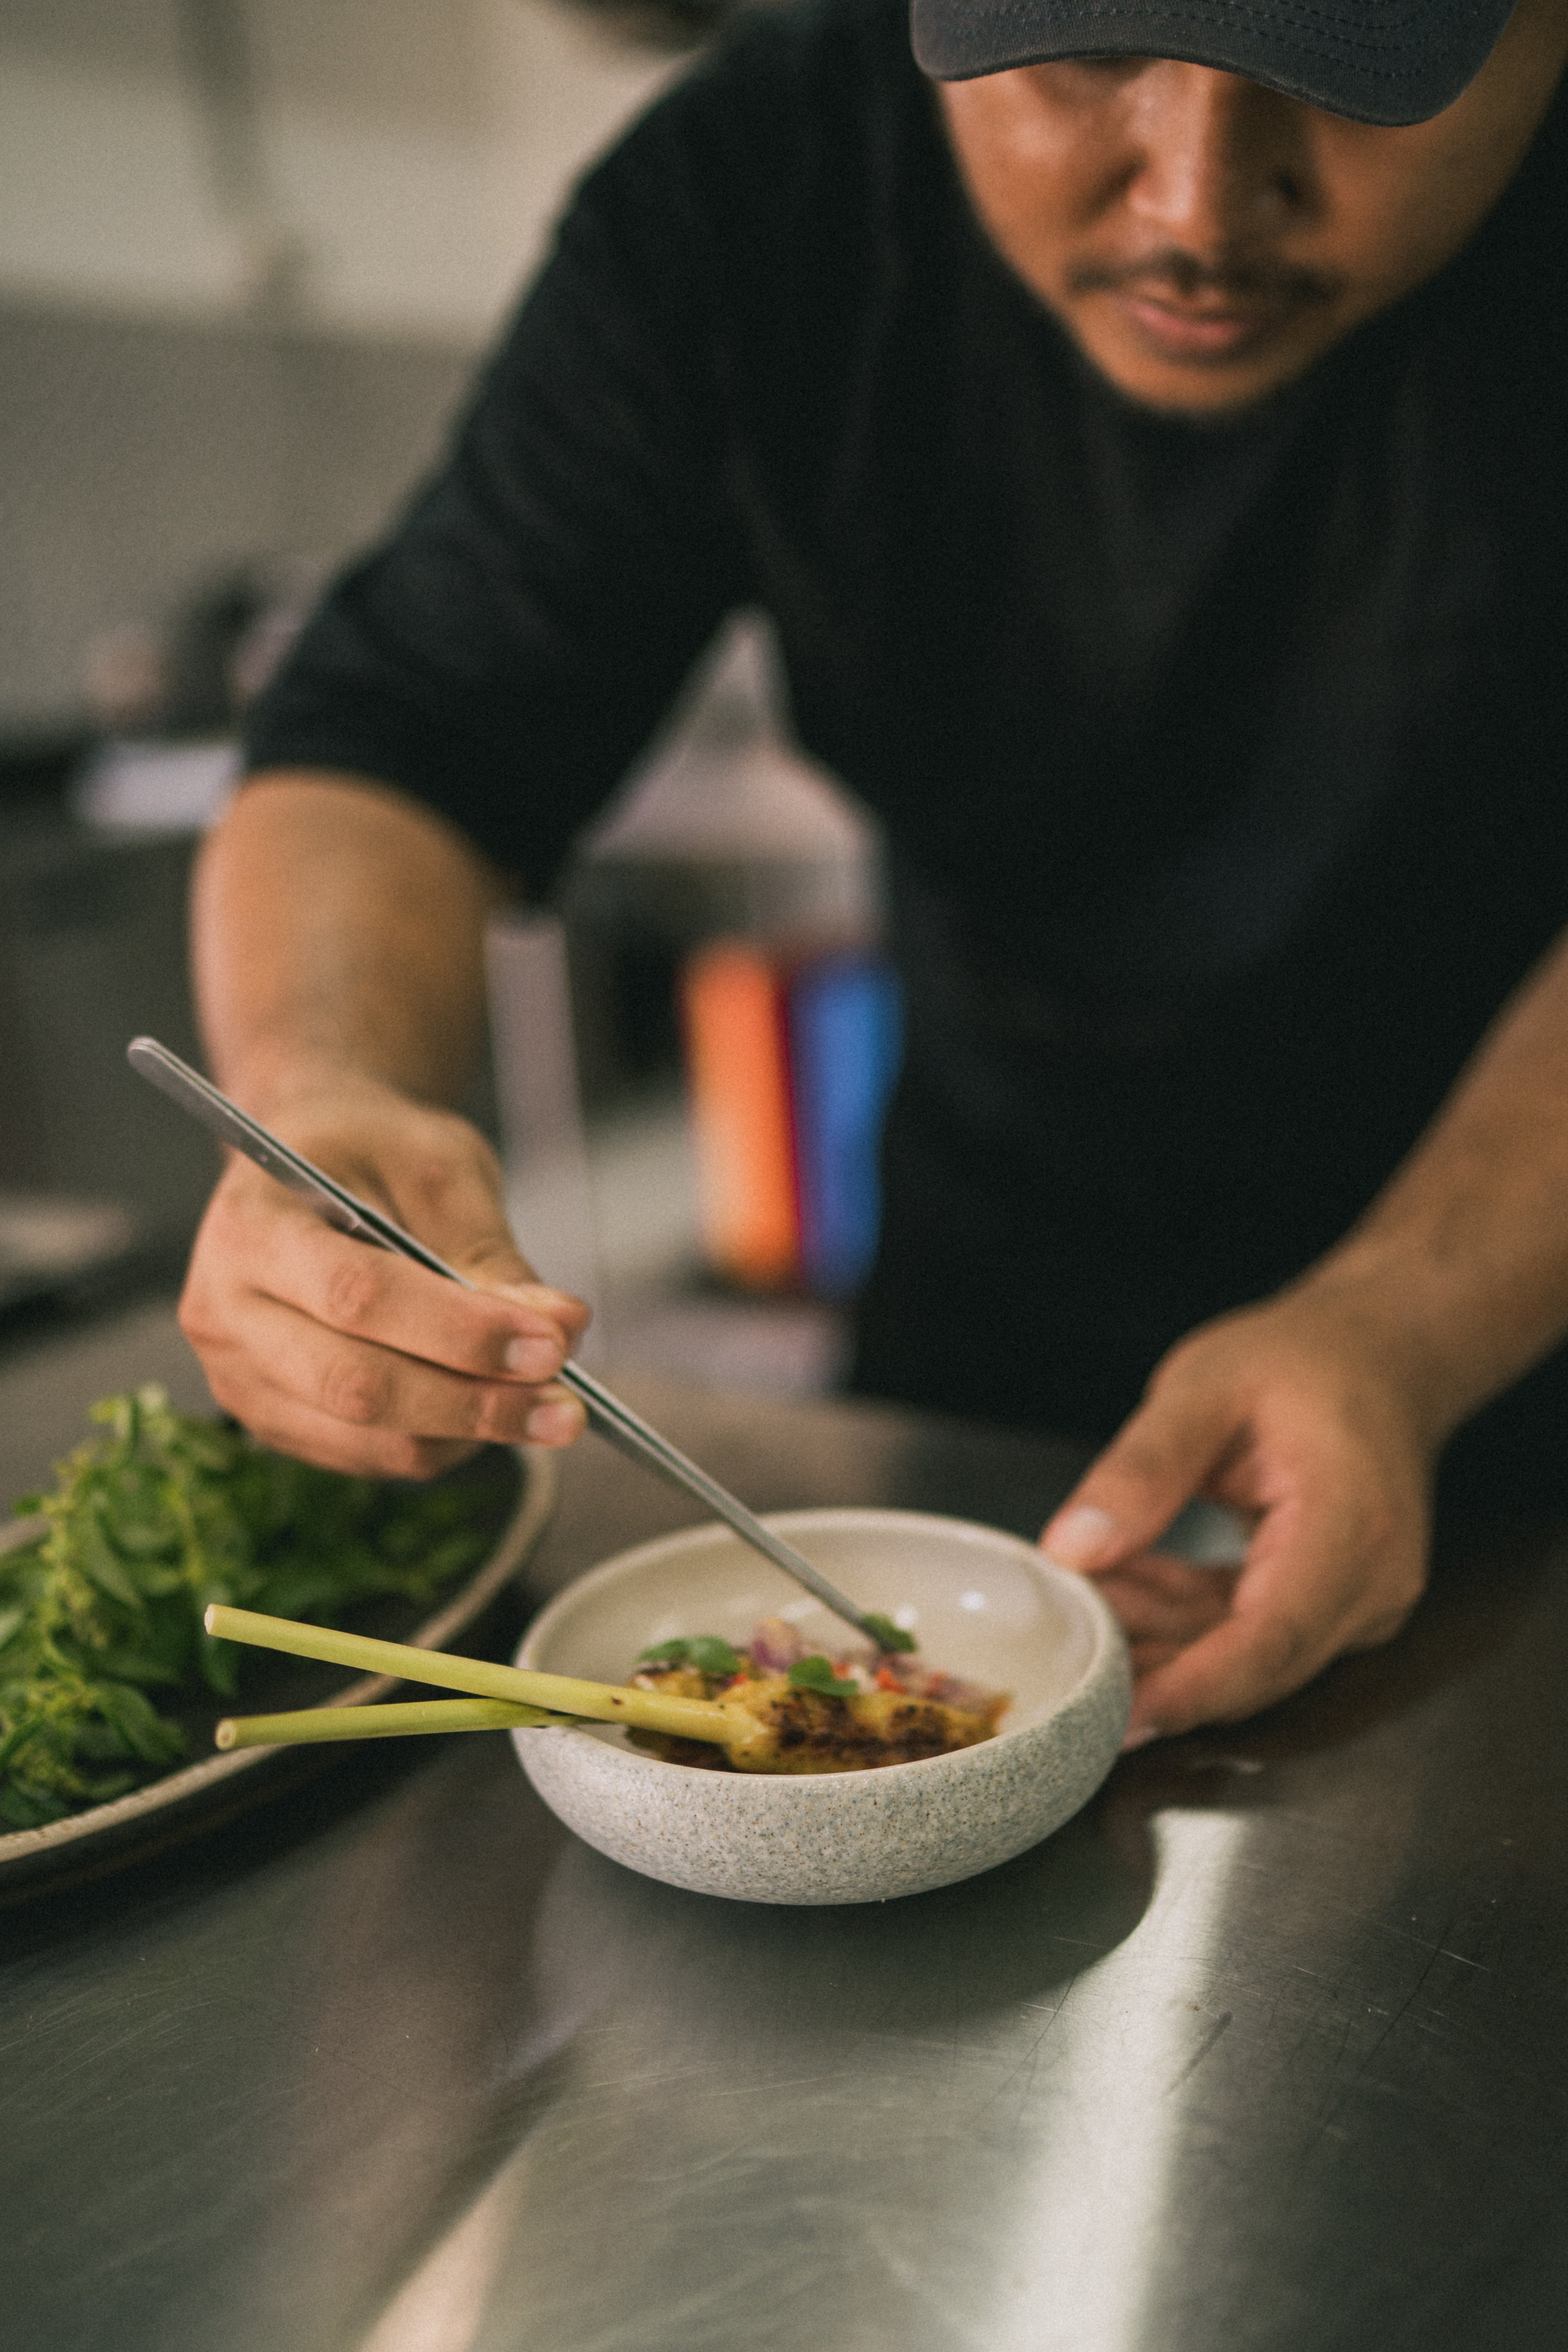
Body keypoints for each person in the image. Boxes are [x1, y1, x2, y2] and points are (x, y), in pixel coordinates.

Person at [184, 0, 1568, 1746]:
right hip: (980, 1344)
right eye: (1084, 54)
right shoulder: (759, 188)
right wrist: (320, 1087)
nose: (1199, 206)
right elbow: (407, 724)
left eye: (1352, 68)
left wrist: (1405, 1329)